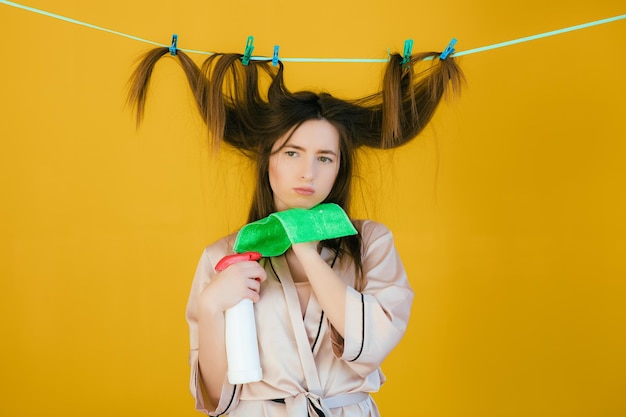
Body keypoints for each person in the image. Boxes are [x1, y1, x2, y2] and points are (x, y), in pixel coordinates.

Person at [128, 45, 463, 416]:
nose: (308, 172)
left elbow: (375, 342)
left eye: (324, 158)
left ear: (339, 168)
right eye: (292, 153)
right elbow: (214, 398)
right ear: (266, 159)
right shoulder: (225, 254)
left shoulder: (371, 243)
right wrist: (210, 306)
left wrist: (304, 245)